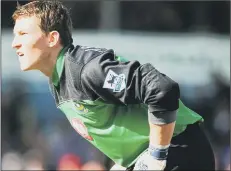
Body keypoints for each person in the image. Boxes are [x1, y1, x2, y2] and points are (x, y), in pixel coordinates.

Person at [11, 1, 215, 170]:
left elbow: (161, 89)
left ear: (52, 38)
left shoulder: (87, 70)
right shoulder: (58, 80)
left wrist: (156, 155)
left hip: (182, 152)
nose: (15, 43)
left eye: (23, 34)